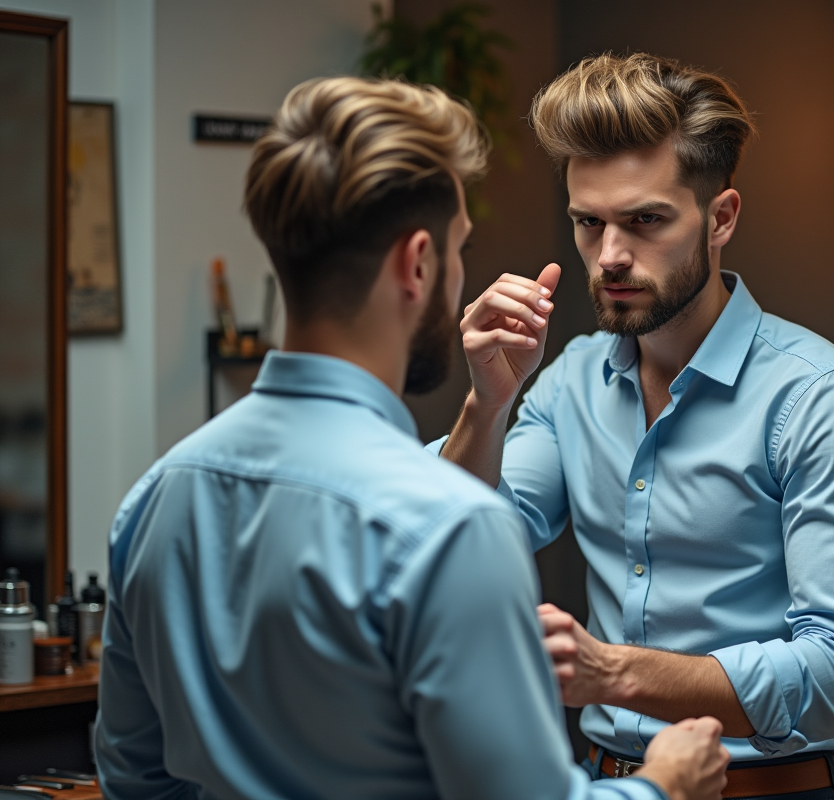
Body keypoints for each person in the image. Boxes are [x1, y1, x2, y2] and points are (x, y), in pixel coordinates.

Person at [94, 76, 729, 800]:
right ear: (418, 263)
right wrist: (666, 786)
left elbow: (134, 782)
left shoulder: (155, 500)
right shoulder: (452, 525)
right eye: (459, 249)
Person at [435, 53, 834, 800]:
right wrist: (485, 405)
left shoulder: (821, 399)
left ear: (721, 218)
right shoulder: (570, 382)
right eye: (589, 224)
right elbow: (456, 538)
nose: (610, 257)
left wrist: (611, 673)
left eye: (645, 220)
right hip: (612, 786)